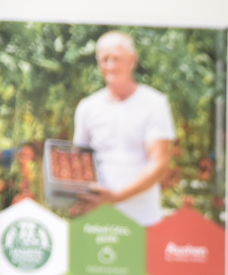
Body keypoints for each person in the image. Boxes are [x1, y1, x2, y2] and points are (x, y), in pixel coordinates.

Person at [71, 30, 175, 226]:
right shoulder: (88, 107)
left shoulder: (155, 103)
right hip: (97, 221)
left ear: (133, 60)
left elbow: (160, 164)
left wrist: (117, 197)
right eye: (104, 59)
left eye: (117, 59)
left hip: (142, 220)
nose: (110, 66)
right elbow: (79, 160)